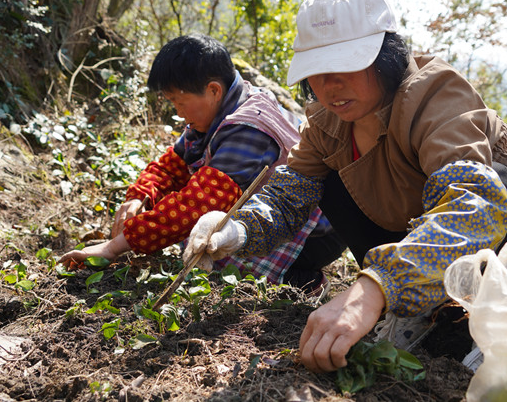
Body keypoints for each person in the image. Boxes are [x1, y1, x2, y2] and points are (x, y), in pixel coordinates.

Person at [183, 0, 507, 373]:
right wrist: (236, 229)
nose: (330, 86)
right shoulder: (327, 123)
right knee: (329, 180)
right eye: (318, 72)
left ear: (386, 56)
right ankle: (425, 307)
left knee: (495, 185)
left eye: (347, 66)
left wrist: (373, 288)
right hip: (432, 250)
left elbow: (474, 204)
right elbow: (289, 194)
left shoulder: (436, 97)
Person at [59, 34, 329, 289]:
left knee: (220, 258)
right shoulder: (223, 106)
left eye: (179, 102)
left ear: (213, 90)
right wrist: (140, 195)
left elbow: (198, 204)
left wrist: (113, 247)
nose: (178, 112)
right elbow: (172, 163)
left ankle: (302, 280)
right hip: (278, 215)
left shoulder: (249, 129)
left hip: (313, 231)